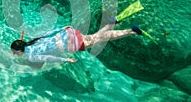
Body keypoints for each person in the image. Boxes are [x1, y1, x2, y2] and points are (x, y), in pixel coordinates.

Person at [11, 22, 143, 64]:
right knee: (95, 37)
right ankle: (111, 23)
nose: (14, 55)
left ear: (19, 50)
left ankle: (131, 31)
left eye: (14, 52)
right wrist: (63, 28)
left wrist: (66, 60)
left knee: (101, 38)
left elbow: (48, 58)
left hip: (71, 44)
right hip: (67, 35)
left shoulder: (31, 56)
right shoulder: (31, 41)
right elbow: (47, 33)